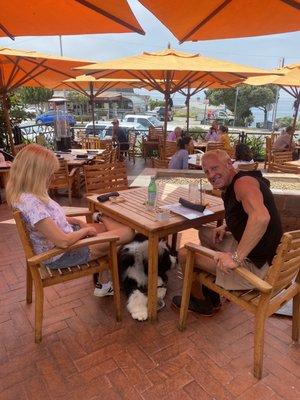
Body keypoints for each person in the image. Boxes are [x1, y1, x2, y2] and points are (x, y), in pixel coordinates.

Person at [6, 144, 134, 297]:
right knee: (127, 232)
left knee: (109, 231)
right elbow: (63, 242)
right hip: (63, 254)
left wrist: (78, 222)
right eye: (49, 173)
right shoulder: (32, 203)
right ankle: (102, 218)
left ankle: (104, 282)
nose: (51, 177)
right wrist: (85, 230)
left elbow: (52, 219)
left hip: (65, 241)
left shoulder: (26, 195)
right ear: (36, 174)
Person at [172, 149, 282, 315]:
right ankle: (212, 290)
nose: (211, 175)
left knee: (184, 254)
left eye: (215, 168)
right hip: (264, 253)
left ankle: (202, 302)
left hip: (257, 268)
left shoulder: (242, 184)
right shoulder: (242, 180)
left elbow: (260, 217)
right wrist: (227, 226)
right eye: (207, 171)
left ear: (229, 164)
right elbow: (247, 214)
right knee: (204, 233)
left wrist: (236, 258)